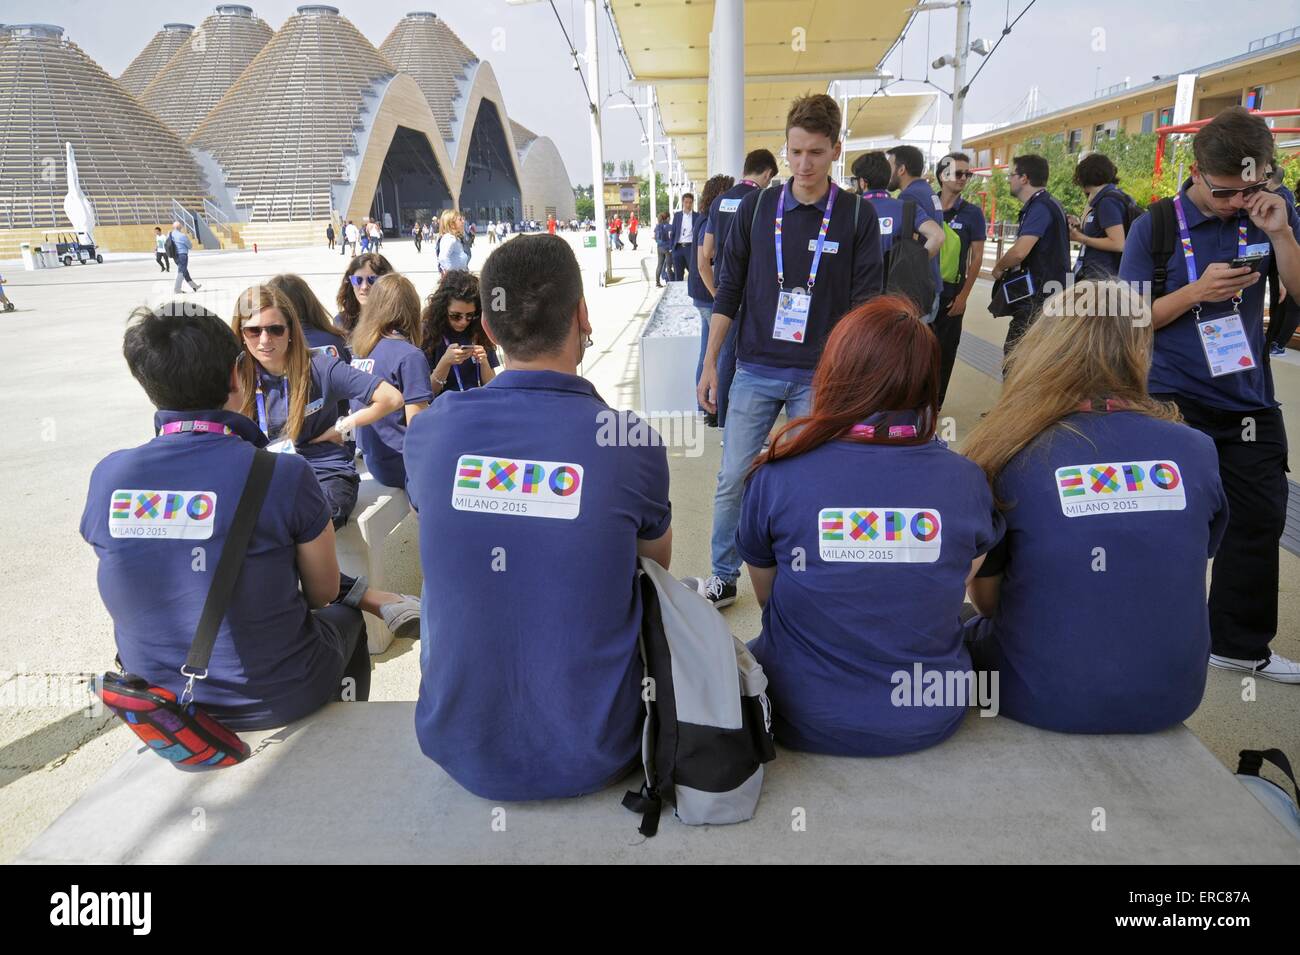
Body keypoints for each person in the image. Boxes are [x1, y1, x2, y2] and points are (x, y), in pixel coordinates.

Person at [405, 234, 672, 800]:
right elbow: (654, 567)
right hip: (600, 750)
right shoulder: (628, 440)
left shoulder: (430, 431)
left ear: (490, 331)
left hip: (456, 748)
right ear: (581, 315)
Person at [80, 303, 420, 731]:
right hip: (275, 696)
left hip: (161, 702)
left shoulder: (110, 475)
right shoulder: (280, 473)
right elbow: (322, 593)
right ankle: (340, 733)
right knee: (345, 617)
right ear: (236, 374)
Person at [739, 295, 1002, 754]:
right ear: (927, 382)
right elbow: (954, 583)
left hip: (800, 711)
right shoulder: (966, 481)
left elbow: (768, 596)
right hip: (929, 713)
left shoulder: (777, 475)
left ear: (834, 372)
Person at [963, 280, 1229, 729]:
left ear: (1044, 349)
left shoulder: (1009, 451)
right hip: (1174, 695)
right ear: (1138, 350)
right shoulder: (1197, 450)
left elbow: (987, 600)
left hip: (1038, 695)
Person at [1119, 105, 1300, 683]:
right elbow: (1127, 321)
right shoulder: (1157, 225)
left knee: (1259, 519)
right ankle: (1146, 631)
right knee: (1165, 519)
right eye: (1226, 193)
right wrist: (1195, 292)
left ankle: (1240, 646)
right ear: (1196, 171)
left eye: (1253, 188)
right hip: (1170, 397)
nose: (1237, 203)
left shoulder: (1273, 210)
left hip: (1248, 397)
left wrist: (1281, 232)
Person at [693, 92, 884, 607]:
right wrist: (711, 363)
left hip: (821, 374)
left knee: (817, 479)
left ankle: (808, 574)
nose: (804, 164)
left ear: (836, 149)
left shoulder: (855, 217)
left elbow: (866, 305)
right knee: (734, 473)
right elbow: (728, 289)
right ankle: (723, 572)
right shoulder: (757, 208)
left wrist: (858, 381)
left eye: (816, 153)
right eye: (796, 151)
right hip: (754, 367)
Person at [231, 283, 404, 528]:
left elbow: (391, 398)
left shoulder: (320, 366)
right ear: (240, 333)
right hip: (265, 473)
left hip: (324, 473)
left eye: (275, 329)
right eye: (253, 331)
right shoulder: (236, 374)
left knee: (306, 520)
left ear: (291, 330)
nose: (265, 339)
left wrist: (344, 425)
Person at [700, 148, 781, 428]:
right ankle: (746, 426)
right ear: (768, 174)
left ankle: (723, 421)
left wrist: (717, 294)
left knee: (723, 357)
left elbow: (705, 254)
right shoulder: (763, 201)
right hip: (755, 292)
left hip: (726, 289)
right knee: (752, 360)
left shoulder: (719, 201)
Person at [348, 273, 433, 490]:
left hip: (374, 457)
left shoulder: (361, 351)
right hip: (400, 462)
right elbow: (418, 426)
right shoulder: (409, 355)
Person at [990, 154, 1070, 357]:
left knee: (1016, 360)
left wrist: (999, 267)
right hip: (1049, 296)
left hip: (1037, 300)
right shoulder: (1051, 203)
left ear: (1024, 178)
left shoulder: (1040, 207)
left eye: (1011, 174)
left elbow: (1019, 251)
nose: (1009, 179)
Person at [934, 152, 987, 408]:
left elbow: (976, 258)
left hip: (951, 294)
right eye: (958, 173)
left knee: (945, 352)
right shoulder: (924, 206)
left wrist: (963, 297)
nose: (964, 178)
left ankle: (935, 405)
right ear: (942, 175)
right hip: (922, 293)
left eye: (968, 174)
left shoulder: (972, 214)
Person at [690, 175, 735, 427]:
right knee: (721, 355)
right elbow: (702, 263)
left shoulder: (703, 219)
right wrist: (719, 297)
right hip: (710, 299)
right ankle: (717, 410)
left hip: (702, 297)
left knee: (707, 354)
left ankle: (705, 407)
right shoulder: (709, 221)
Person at [886, 144, 946, 323]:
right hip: (931, 283)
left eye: (890, 167)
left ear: (901, 169)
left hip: (915, 291)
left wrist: (911, 264)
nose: (887, 173)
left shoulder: (909, 198)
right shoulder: (927, 192)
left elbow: (937, 236)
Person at [421, 269, 499, 396]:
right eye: (455, 316)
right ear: (443, 309)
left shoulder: (479, 328)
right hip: (444, 409)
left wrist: (484, 362)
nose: (463, 322)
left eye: (469, 315)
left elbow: (493, 389)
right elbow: (427, 393)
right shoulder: (428, 332)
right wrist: (445, 363)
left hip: (477, 405)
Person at [1069, 152, 1133, 279]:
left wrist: (1080, 238)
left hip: (1102, 276)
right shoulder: (1112, 197)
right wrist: (1080, 230)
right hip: (1103, 274)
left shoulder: (1107, 202)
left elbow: (1118, 243)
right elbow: (1102, 235)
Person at [334, 252, 393, 334]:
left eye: (372, 279)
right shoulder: (341, 322)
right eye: (358, 280)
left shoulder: (397, 322)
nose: (364, 287)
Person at [168, 221, 201, 294]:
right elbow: (190, 246)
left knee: (184, 271)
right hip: (182, 255)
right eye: (181, 226)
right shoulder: (182, 236)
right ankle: (177, 289)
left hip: (175, 256)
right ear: (179, 227)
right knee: (182, 272)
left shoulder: (170, 234)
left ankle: (194, 286)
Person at [668, 193, 696, 280]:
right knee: (678, 274)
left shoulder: (697, 216)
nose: (688, 204)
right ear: (683, 202)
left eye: (690, 202)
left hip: (690, 247)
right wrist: (672, 248)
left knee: (693, 273)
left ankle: (693, 292)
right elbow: (673, 232)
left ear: (692, 203)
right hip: (678, 248)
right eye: (686, 202)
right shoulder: (677, 216)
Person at [436, 210, 470, 274]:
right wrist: (452, 275)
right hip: (456, 279)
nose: (463, 221)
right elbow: (443, 258)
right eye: (460, 220)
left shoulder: (455, 238)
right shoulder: (449, 239)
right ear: (452, 224)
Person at [653, 211, 672, 287]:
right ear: (668, 218)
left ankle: (657, 282)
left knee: (659, 265)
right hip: (667, 248)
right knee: (668, 266)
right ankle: (670, 282)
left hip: (659, 248)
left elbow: (655, 237)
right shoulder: (670, 226)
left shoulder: (657, 226)